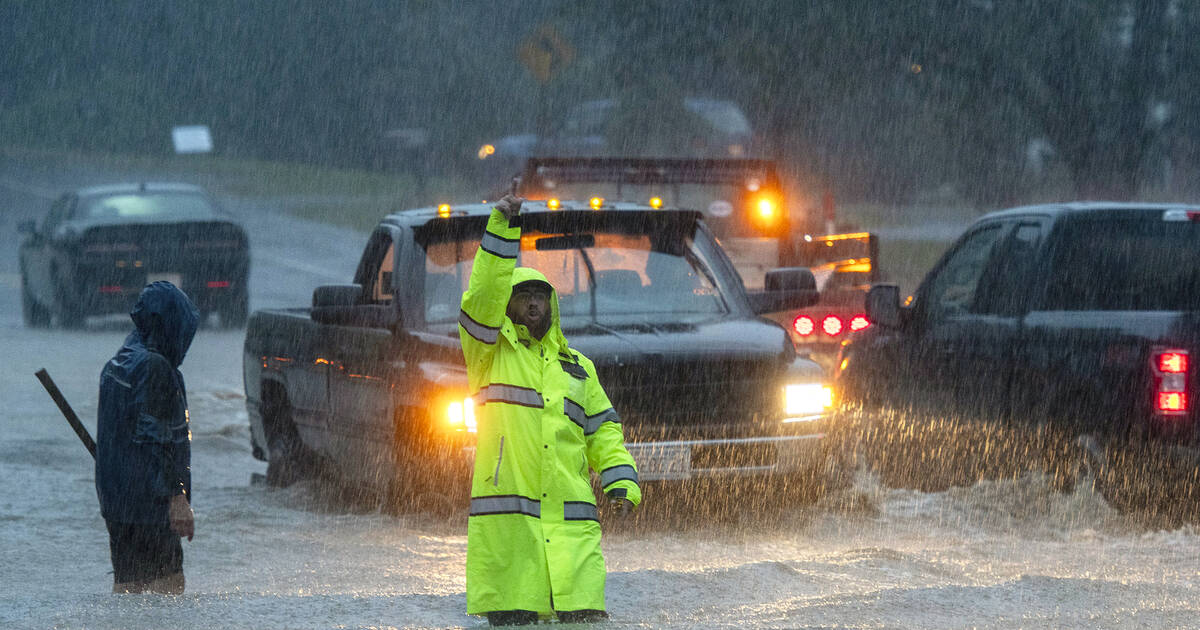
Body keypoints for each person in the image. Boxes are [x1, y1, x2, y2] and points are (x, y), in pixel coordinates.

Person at [458, 194, 641, 625]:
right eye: (523, 296)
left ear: (553, 304)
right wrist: (503, 225)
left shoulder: (578, 368)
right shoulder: (489, 354)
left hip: (573, 540)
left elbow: (603, 431)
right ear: (507, 305)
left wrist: (621, 482)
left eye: (541, 295)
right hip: (510, 544)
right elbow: (482, 293)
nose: (534, 303)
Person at [95, 281, 199, 594]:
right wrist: (177, 497)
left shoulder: (119, 362)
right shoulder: (156, 369)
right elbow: (157, 440)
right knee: (169, 592)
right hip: (151, 505)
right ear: (170, 326)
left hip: (117, 502)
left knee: (128, 590)